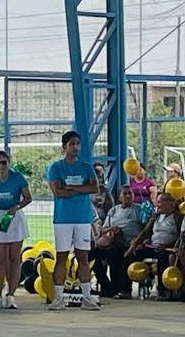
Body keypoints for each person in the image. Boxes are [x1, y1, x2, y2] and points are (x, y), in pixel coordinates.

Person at [46, 131, 99, 311]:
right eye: (72, 144)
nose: (75, 147)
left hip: (83, 218)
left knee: (83, 257)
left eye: (78, 143)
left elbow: (95, 188)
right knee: (61, 256)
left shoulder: (86, 167)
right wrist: (82, 188)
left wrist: (71, 187)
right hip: (63, 219)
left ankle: (87, 298)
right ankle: (58, 297)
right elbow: (58, 191)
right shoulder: (55, 167)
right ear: (64, 147)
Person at [0, 150, 31, 309]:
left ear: (9, 163)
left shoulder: (17, 177)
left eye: (4, 162)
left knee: (15, 259)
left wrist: (17, 206)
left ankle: (11, 295)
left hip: (14, 218)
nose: (1, 166)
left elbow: (28, 198)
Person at [128, 192, 183, 298]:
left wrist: (168, 245)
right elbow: (145, 232)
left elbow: (180, 236)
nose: (157, 205)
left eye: (160, 202)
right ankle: (124, 289)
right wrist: (134, 245)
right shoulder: (157, 216)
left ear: (170, 203)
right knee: (133, 254)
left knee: (163, 257)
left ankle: (163, 291)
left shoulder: (177, 217)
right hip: (153, 246)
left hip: (168, 248)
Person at [92, 185, 142, 298]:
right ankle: (106, 286)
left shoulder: (138, 210)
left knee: (118, 255)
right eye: (125, 194)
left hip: (130, 245)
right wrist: (111, 229)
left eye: (130, 193)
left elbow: (146, 229)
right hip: (112, 242)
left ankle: (123, 290)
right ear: (119, 197)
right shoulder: (114, 210)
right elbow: (102, 229)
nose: (128, 196)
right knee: (92, 255)